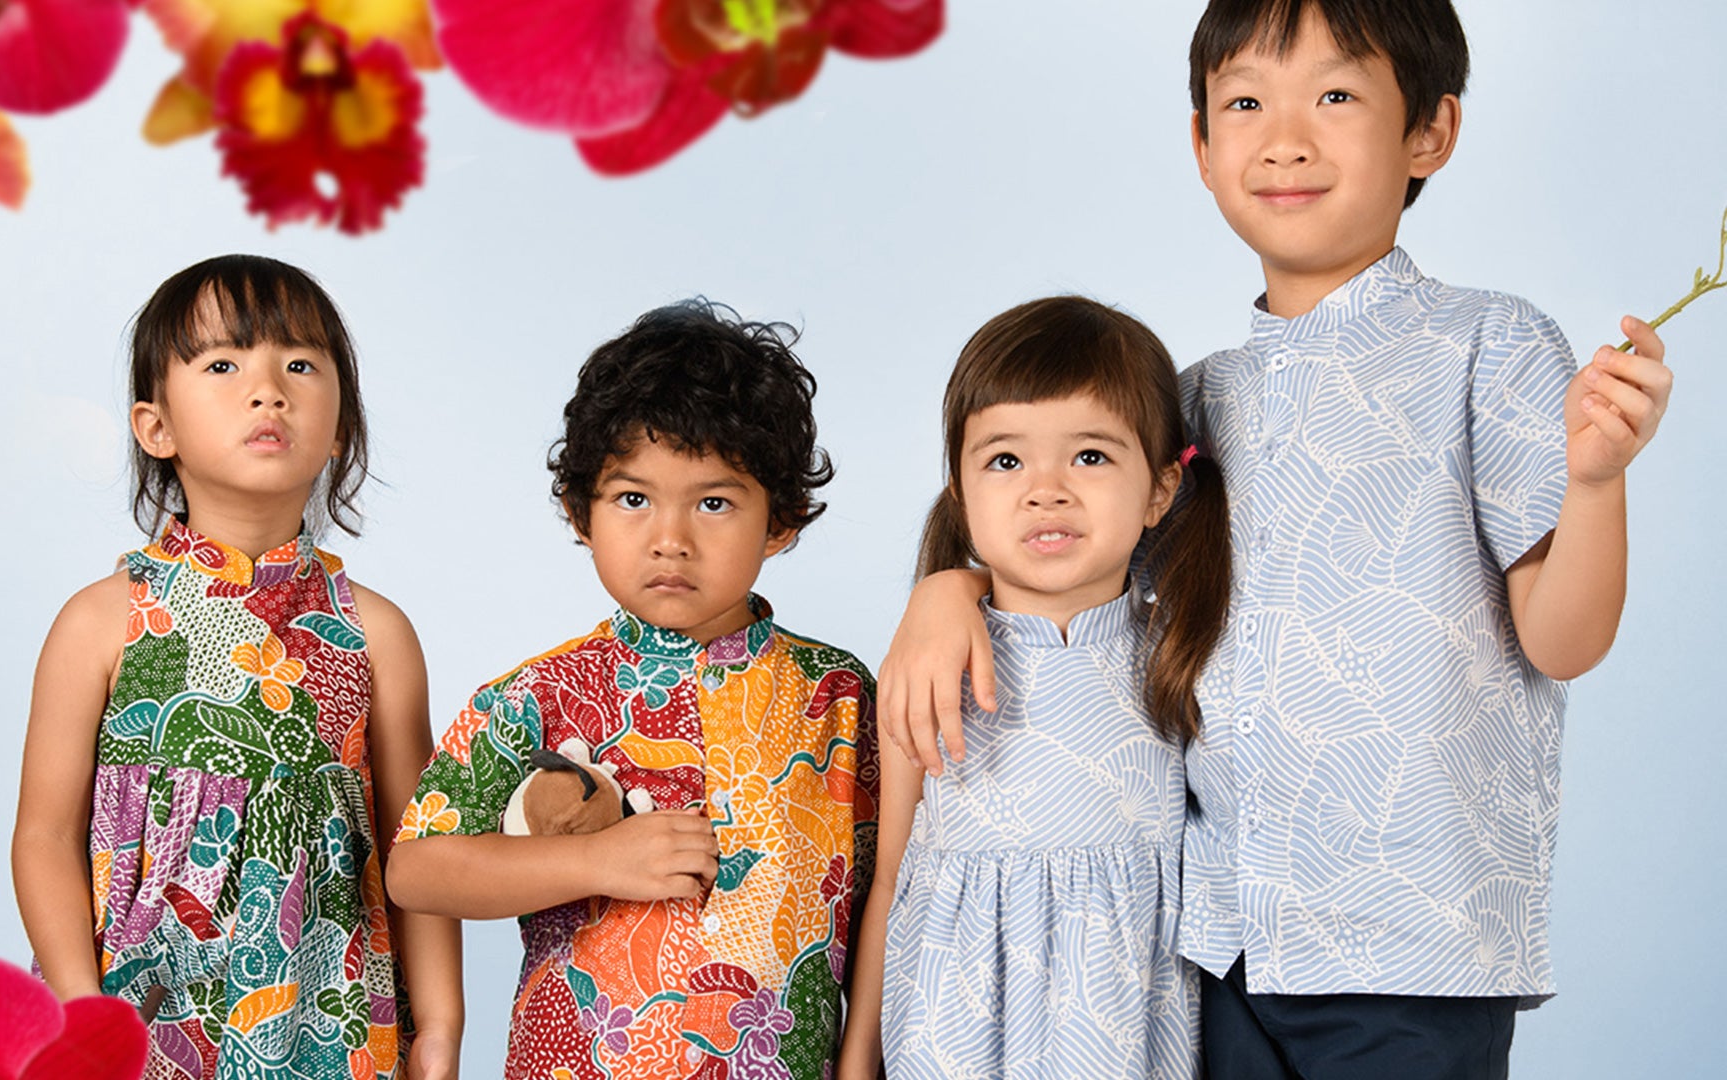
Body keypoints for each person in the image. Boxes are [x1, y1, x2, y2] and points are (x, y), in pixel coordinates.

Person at [878, 3, 1675, 1078]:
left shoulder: (1489, 344)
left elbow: (1562, 640)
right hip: (1213, 945)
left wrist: (1593, 483)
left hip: (1413, 944)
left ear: (1430, 132)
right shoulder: (1193, 401)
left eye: (1337, 95)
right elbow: (1070, 570)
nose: (1285, 137)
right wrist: (952, 585)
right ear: (1203, 146)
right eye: (1246, 101)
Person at [384, 300, 879, 1080]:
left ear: (779, 521)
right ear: (581, 513)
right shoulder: (537, 692)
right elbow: (417, 870)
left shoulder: (839, 696)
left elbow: (889, 895)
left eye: (714, 502)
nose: (670, 538)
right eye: (633, 498)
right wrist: (597, 863)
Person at [11, 255, 462, 1079]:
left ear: (339, 425)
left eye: (299, 365)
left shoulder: (377, 635)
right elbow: (44, 835)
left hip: (333, 1019)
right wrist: (80, 1008)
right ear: (158, 428)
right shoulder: (102, 622)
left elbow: (420, 852)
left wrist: (438, 1028)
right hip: (139, 1015)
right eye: (224, 365)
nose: (269, 390)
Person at [837, 297, 1230, 1080]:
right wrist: (857, 1062)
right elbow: (892, 876)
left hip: (1118, 1036)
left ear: (1158, 490)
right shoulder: (925, 663)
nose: (1046, 490)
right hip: (951, 1029)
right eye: (1006, 461)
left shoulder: (1182, 649)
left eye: (1090, 456)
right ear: (960, 490)